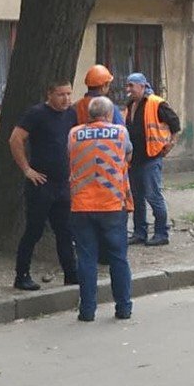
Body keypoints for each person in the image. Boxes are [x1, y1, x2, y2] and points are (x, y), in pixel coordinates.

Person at [67, 96, 133, 322]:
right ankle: (123, 308)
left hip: (82, 204)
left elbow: (70, 157)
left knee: (86, 258)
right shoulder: (120, 133)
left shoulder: (74, 133)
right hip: (112, 203)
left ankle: (87, 311)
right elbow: (127, 155)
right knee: (118, 258)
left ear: (89, 114)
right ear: (109, 114)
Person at [10, 80, 79, 291]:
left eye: (68, 94)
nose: (66, 99)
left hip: (63, 183)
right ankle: (22, 275)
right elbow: (15, 139)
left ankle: (71, 274)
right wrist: (27, 169)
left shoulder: (71, 114)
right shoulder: (37, 114)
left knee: (65, 231)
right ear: (49, 94)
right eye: (61, 94)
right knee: (34, 230)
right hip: (41, 183)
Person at [125, 73, 181, 246]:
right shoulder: (131, 104)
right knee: (136, 198)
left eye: (131, 86)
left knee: (153, 196)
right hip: (134, 159)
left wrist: (170, 144)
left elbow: (175, 124)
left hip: (151, 157)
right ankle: (139, 232)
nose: (128, 90)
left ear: (142, 86)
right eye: (127, 86)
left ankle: (161, 233)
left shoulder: (156, 103)